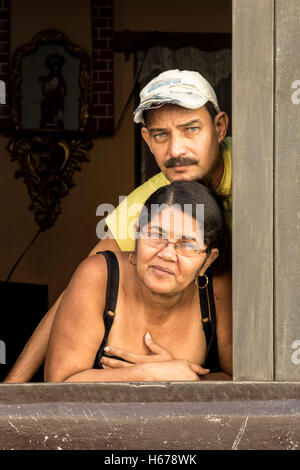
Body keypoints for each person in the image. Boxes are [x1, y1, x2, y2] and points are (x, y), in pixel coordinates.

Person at [4, 69, 232, 383]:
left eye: (191, 129)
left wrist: (181, 378)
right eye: (161, 135)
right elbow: (76, 292)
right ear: (147, 140)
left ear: (220, 127)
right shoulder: (146, 203)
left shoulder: (262, 172)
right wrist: (12, 389)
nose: (176, 150)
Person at [45, 181, 232, 382]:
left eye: (186, 244)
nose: (167, 253)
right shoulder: (100, 275)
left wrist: (187, 381)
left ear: (208, 260)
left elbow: (243, 383)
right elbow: (59, 383)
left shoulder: (217, 290)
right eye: (156, 235)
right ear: (137, 234)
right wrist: (145, 374)